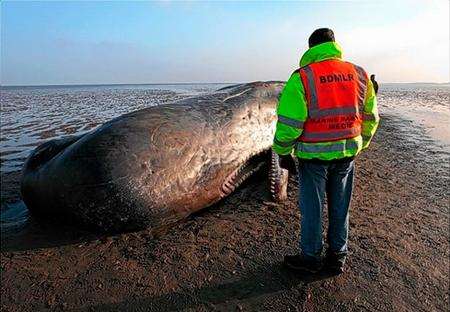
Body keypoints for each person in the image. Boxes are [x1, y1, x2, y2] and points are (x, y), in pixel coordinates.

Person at [272, 28, 379, 274]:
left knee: (313, 208)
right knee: (341, 207)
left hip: (313, 158)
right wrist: (359, 143)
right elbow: (370, 117)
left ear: (310, 48)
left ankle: (310, 257)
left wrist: (282, 151)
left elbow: (290, 124)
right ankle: (337, 257)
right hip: (346, 157)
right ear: (334, 45)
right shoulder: (360, 74)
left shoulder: (302, 77)